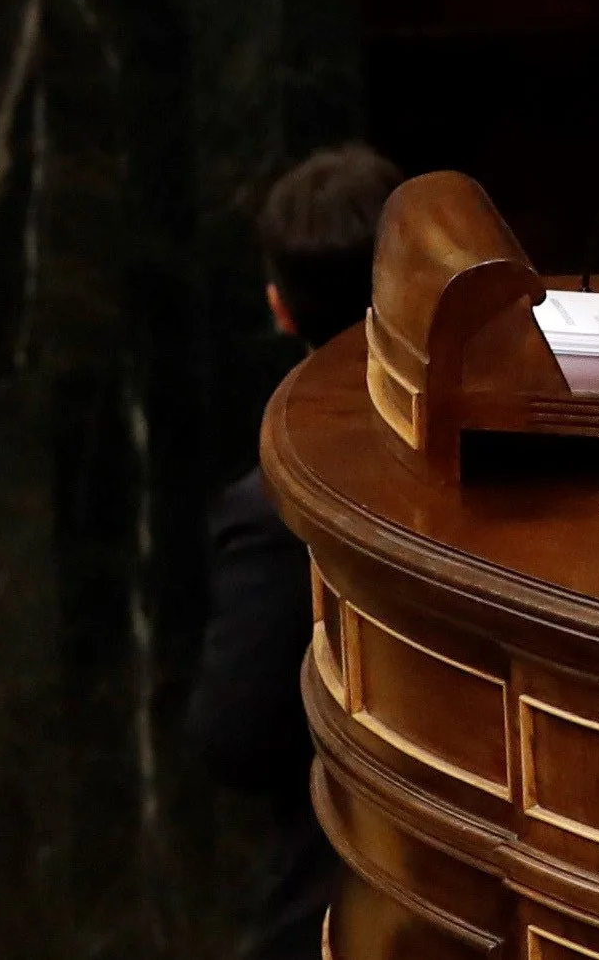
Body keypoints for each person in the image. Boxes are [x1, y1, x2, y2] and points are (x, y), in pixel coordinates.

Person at [191, 141, 403, 960]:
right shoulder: (503, 449)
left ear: (281, 306)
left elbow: (233, 737)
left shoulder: (271, 508)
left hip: (337, 890)